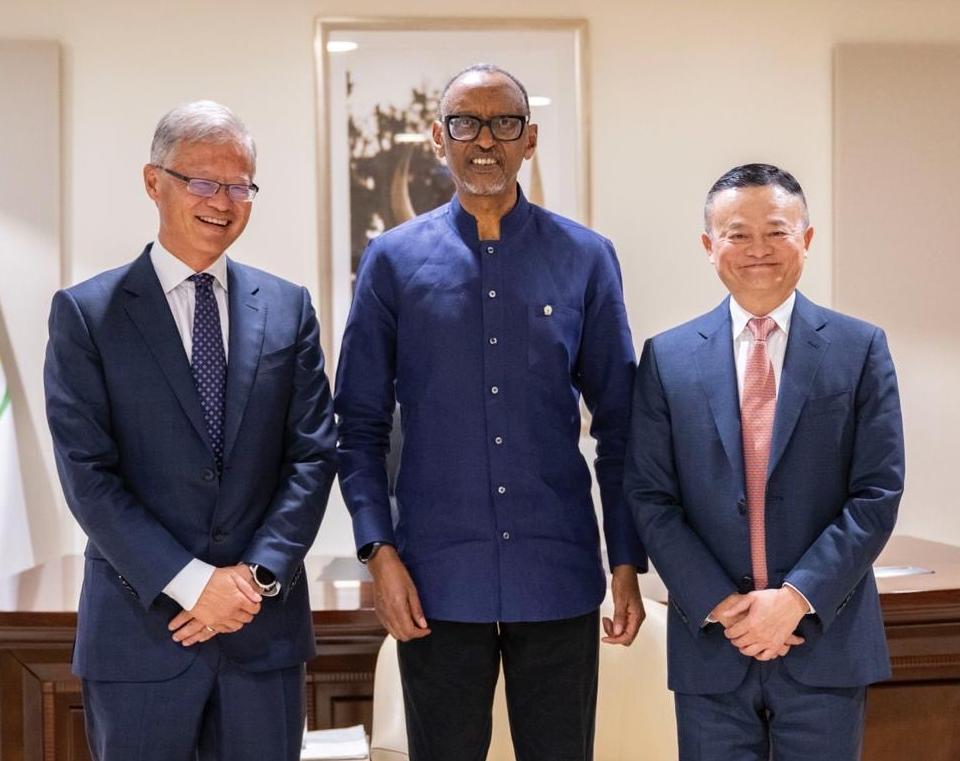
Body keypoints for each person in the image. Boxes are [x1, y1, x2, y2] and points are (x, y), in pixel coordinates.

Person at [335, 64, 647, 761]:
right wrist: (379, 552)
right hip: (435, 582)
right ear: (437, 137)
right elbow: (358, 427)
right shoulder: (391, 262)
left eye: (504, 123)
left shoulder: (587, 259)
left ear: (529, 139)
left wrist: (626, 557)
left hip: (557, 574)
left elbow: (622, 425)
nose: (484, 140)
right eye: (465, 123)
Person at [43, 100, 336, 761]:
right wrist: (193, 582)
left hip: (262, 631)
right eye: (203, 181)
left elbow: (313, 457)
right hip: (142, 632)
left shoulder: (288, 308)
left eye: (240, 186)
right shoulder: (87, 314)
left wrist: (253, 578)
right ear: (155, 182)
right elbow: (88, 476)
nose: (222, 202)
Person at [626, 163, 904, 759]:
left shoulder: (859, 349)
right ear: (709, 246)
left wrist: (795, 600)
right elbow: (650, 497)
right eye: (738, 234)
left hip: (825, 642)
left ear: (807, 238)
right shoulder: (668, 358)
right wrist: (725, 607)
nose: (759, 249)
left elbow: (876, 495)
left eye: (777, 231)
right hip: (712, 647)